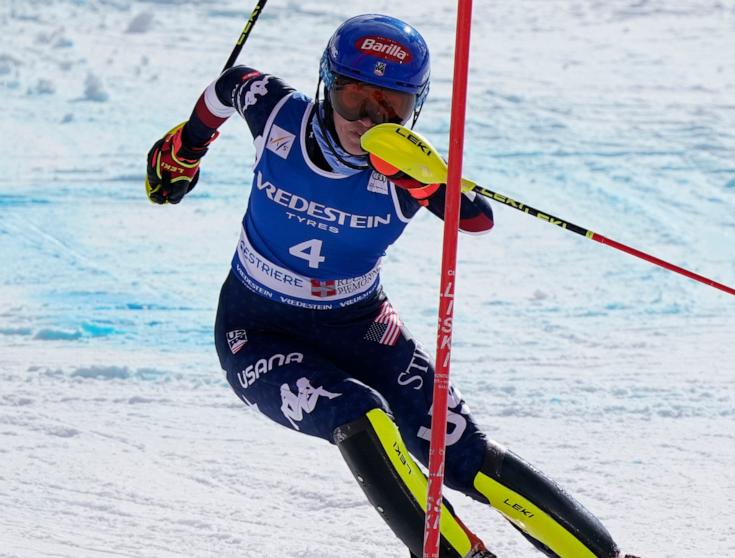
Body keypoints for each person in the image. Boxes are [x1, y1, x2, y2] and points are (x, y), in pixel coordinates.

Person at [145, 13, 636, 558]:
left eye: (390, 107)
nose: (366, 119)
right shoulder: (280, 114)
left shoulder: (405, 165)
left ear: (414, 107)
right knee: (358, 414)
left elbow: (475, 219)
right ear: (326, 86)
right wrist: (188, 146)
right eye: (355, 97)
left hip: (362, 326)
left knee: (459, 451)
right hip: (257, 331)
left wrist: (422, 181)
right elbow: (230, 84)